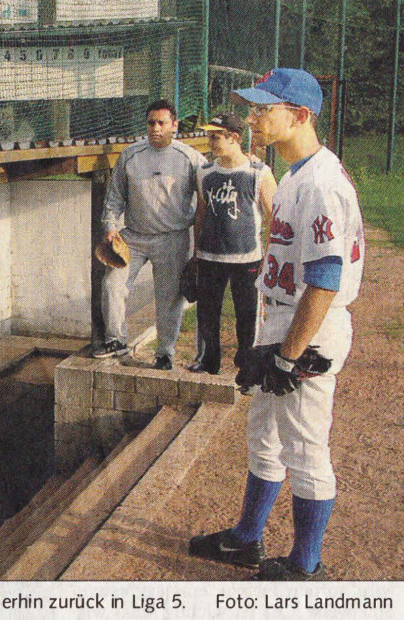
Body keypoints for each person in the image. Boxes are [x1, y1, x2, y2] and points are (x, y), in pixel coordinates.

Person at [188, 68, 364, 580]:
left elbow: (326, 280)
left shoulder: (321, 184)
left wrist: (287, 354)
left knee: (306, 447)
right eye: (254, 108)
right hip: (281, 317)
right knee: (264, 434)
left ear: (301, 115)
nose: (252, 118)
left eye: (264, 109)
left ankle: (307, 565)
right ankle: (246, 539)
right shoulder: (291, 174)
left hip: (309, 327)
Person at [93, 99, 208, 370]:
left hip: (172, 237)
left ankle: (165, 352)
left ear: (174, 125)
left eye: (162, 123)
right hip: (133, 236)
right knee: (113, 285)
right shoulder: (131, 155)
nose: (155, 128)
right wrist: (110, 227)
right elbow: (114, 197)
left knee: (169, 296)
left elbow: (208, 191)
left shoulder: (190, 158)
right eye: (150, 123)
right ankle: (116, 340)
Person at [189, 112, 277, 374]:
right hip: (210, 256)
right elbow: (201, 214)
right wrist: (196, 253)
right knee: (207, 315)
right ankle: (209, 362)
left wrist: (268, 257)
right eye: (209, 136)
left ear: (234, 138)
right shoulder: (205, 172)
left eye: (215, 137)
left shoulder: (257, 172)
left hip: (247, 258)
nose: (210, 141)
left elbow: (274, 218)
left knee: (247, 318)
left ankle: (248, 368)